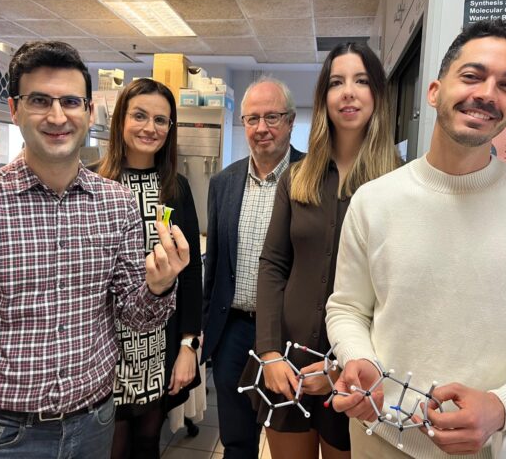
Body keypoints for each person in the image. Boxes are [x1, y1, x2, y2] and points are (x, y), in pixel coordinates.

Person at [0, 41, 189, 459]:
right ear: (14, 109)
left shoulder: (116, 203)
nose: (57, 117)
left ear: (88, 111)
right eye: (40, 100)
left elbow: (135, 317)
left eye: (71, 102)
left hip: (94, 425)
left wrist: (159, 286)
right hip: (1, 436)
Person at [326, 19, 506, 459]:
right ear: (434, 91)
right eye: (472, 76)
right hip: (379, 436)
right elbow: (348, 308)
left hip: (487, 446)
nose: (487, 93)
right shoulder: (374, 200)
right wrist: (360, 360)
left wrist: (501, 407)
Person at [248, 42, 400, 459]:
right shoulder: (297, 177)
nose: (348, 92)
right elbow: (273, 264)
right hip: (287, 363)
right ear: (324, 98)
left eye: (361, 81)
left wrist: (342, 367)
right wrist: (270, 351)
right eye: (336, 82)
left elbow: (399, 291)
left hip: (356, 369)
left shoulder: (398, 183)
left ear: (378, 95)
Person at [96, 78, 203, 459]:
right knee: (110, 447)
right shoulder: (94, 183)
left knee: (146, 444)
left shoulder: (175, 189)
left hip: (158, 344)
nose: (150, 128)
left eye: (161, 120)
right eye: (139, 116)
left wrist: (189, 346)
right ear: (120, 120)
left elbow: (190, 274)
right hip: (104, 345)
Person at [201, 77, 305, 458]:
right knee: (237, 440)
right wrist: (206, 329)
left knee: (291, 440)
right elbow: (214, 264)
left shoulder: (314, 176)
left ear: (290, 121)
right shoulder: (223, 183)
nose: (262, 128)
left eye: (272, 117)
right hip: (234, 330)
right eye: (252, 119)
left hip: (290, 334)